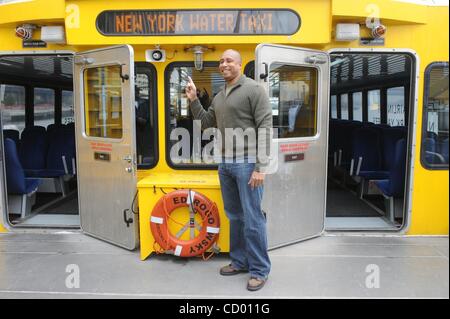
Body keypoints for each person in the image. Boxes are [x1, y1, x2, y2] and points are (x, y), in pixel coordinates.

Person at [185, 49, 272, 291]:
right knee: (235, 216)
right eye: (221, 61)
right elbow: (204, 123)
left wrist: (261, 167)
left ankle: (259, 270)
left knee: (253, 218)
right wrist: (193, 100)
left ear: (240, 65)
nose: (224, 64)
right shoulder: (220, 96)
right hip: (225, 163)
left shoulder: (254, 89)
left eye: (229, 60)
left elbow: (266, 126)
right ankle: (240, 261)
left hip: (247, 163)